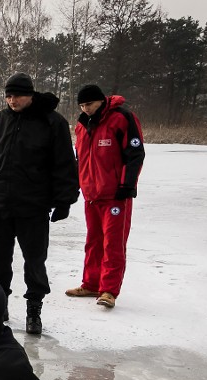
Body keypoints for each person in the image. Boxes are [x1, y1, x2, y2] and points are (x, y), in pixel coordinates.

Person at [0, 72, 79, 335]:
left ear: (30, 95)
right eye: (8, 95)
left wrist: (64, 201)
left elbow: (64, 165)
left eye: (16, 95)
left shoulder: (52, 123)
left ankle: (34, 310)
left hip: (33, 208)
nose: (11, 100)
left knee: (35, 262)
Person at [67, 84, 145, 309]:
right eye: (82, 105)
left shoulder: (122, 117)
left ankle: (109, 290)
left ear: (101, 100)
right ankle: (91, 283)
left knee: (113, 243)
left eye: (89, 104)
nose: (86, 109)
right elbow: (80, 158)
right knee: (93, 241)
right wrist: (77, 185)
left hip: (115, 195)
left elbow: (135, 153)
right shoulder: (82, 125)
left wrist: (127, 185)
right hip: (91, 194)